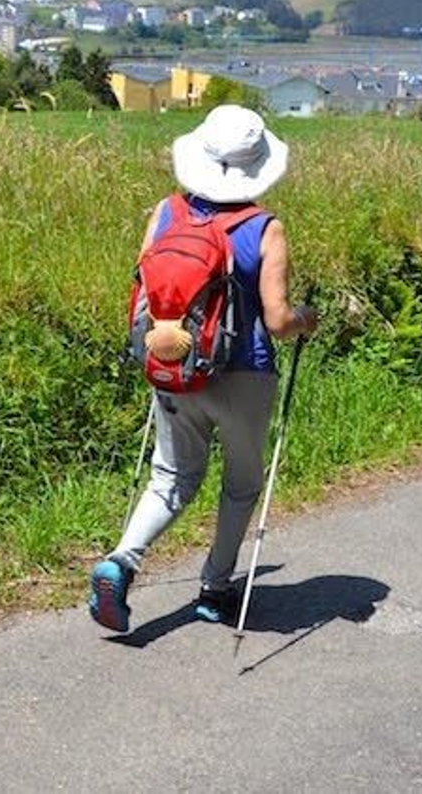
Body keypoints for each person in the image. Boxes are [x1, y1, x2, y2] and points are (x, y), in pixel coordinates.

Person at [88, 104, 318, 634]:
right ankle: (215, 588)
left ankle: (121, 561)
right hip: (245, 375)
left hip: (176, 364)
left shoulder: (165, 212)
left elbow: (145, 291)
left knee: (170, 477)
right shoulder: (265, 227)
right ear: (257, 165)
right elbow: (279, 321)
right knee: (239, 485)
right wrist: (308, 318)